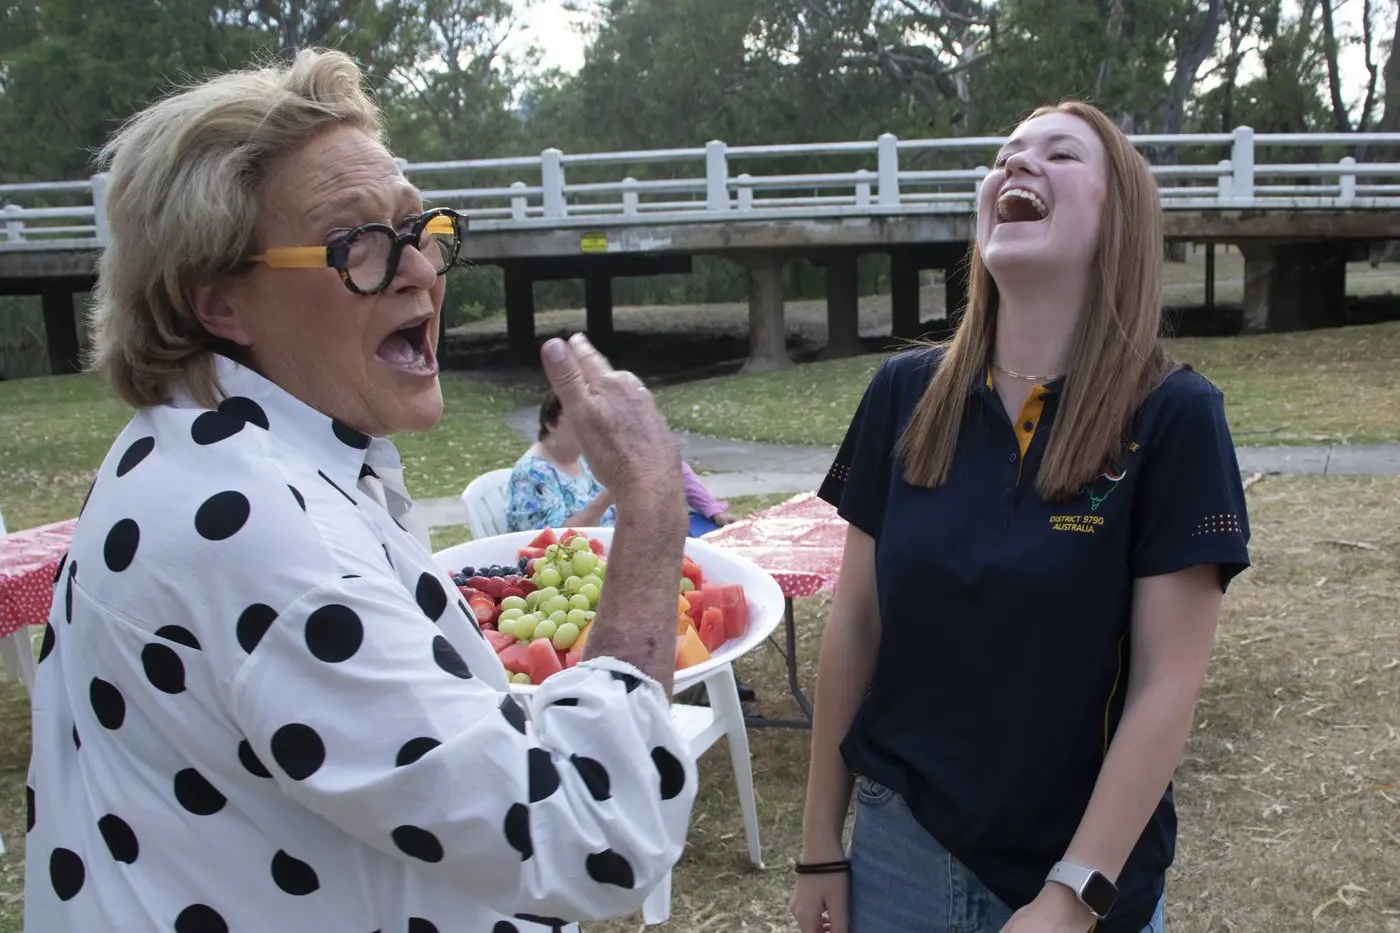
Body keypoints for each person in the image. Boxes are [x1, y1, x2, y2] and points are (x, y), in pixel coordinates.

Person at [24, 50, 698, 933]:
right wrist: (650, 505)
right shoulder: (256, 537)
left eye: (419, 230)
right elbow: (593, 835)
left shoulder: (198, 444)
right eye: (360, 247)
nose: (420, 270)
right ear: (221, 303)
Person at [790, 101, 1251, 933]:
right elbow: (855, 626)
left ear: (1122, 219)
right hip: (900, 852)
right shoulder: (904, 394)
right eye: (1006, 155)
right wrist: (823, 840)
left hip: (1079, 871)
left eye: (1061, 155)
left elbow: (1164, 685)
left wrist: (1072, 898)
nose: (1018, 165)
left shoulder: (1176, 416)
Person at [506, 388, 736, 536]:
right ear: (550, 423)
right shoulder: (532, 473)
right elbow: (551, 544)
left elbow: (668, 464)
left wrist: (711, 508)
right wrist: (609, 495)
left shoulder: (584, 456)